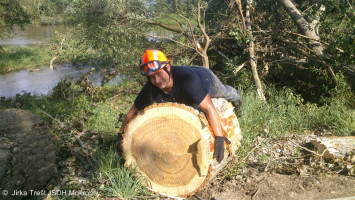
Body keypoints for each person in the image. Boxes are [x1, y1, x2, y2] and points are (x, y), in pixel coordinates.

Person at [118, 49, 242, 163]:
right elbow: (133, 111)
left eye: (159, 74)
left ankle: (237, 98)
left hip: (205, 79)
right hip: (184, 95)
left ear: (167, 67)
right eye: (152, 77)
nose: (157, 80)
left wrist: (219, 138)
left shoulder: (188, 80)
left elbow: (209, 108)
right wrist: (121, 135)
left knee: (226, 93)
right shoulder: (151, 88)